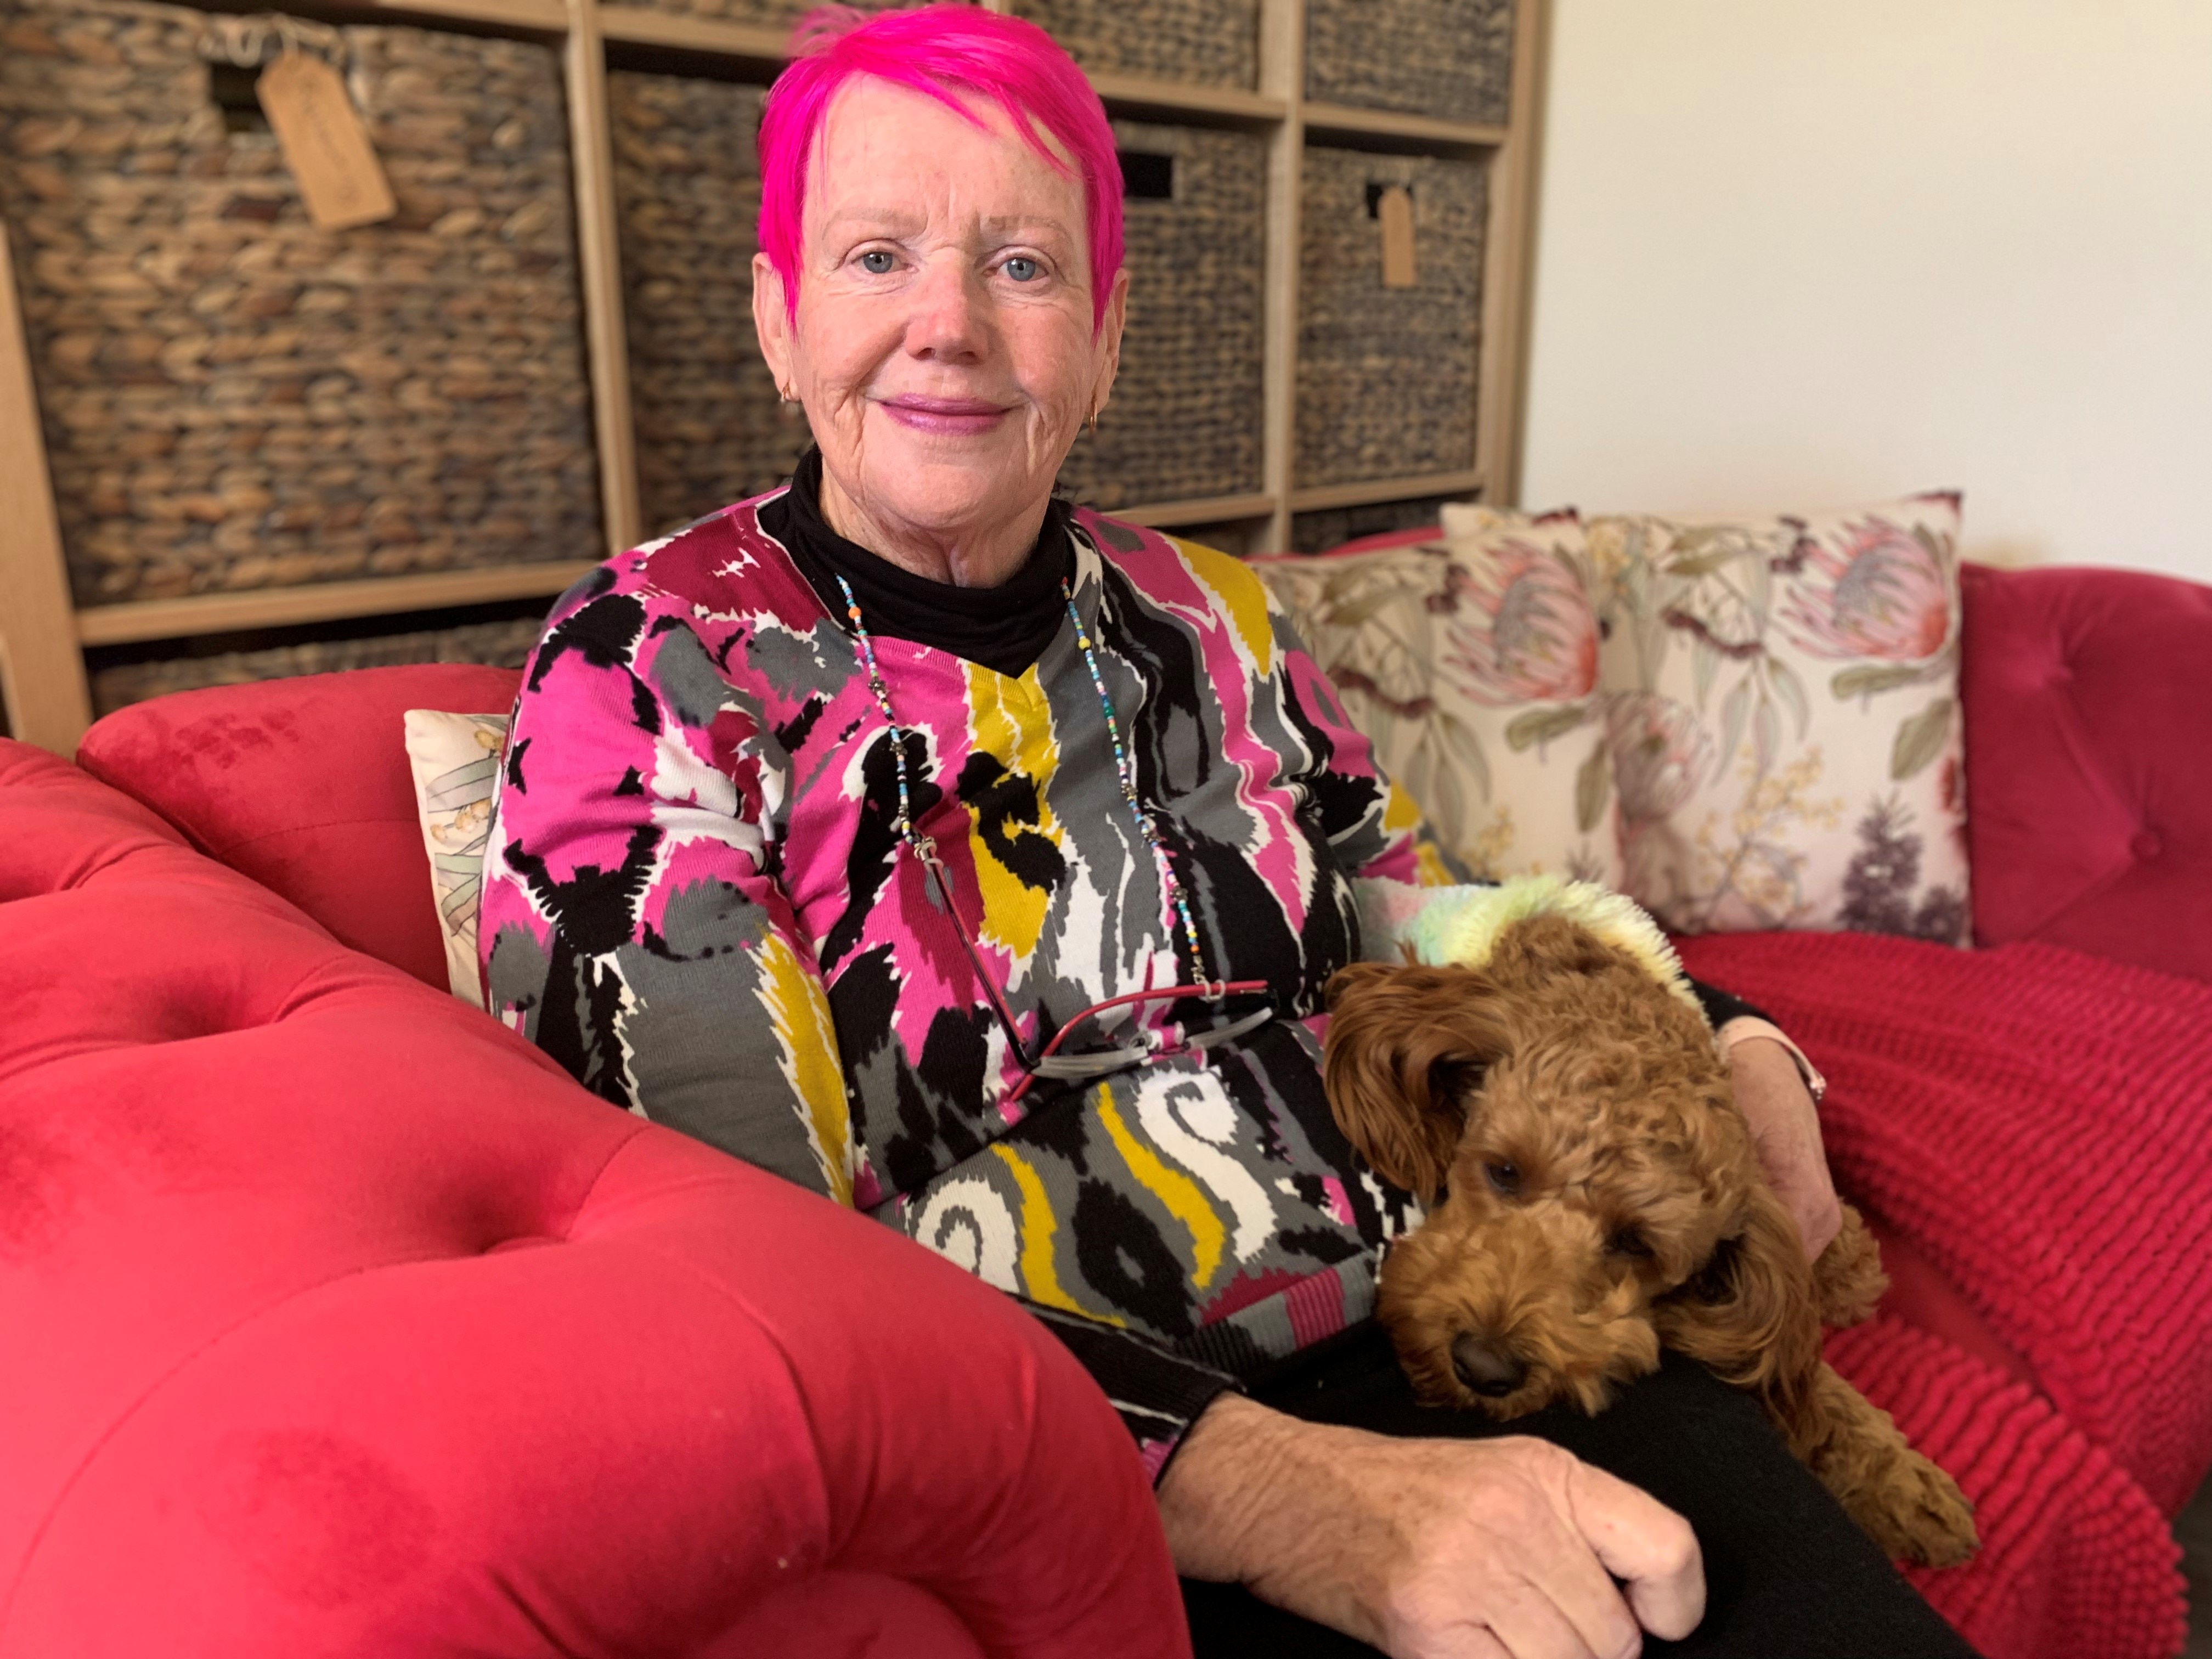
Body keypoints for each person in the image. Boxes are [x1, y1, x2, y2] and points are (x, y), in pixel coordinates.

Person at [479, 8, 1974, 1655]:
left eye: (1025, 267)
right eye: (876, 254)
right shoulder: (647, 664)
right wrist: (1277, 1495)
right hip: (1073, 1457)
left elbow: (1444, 909)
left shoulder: (1219, 622)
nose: (950, 326)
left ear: (1106, 338)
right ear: (779, 318)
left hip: (1459, 1307)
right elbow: (725, 1274)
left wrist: (1736, 1036)